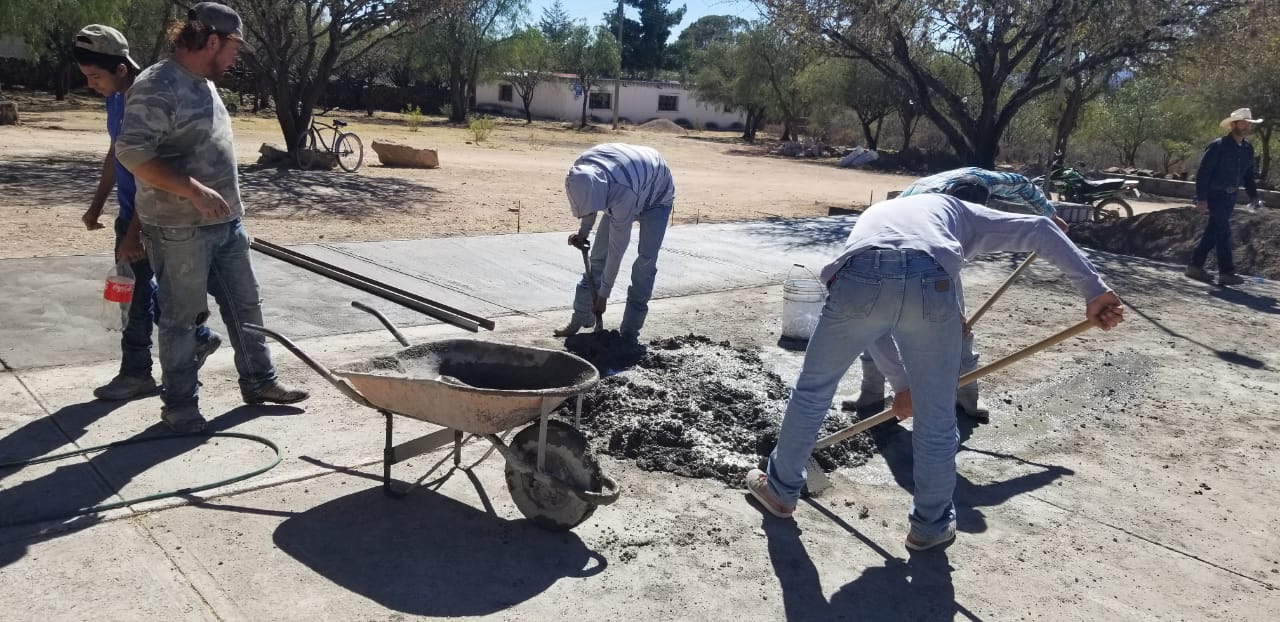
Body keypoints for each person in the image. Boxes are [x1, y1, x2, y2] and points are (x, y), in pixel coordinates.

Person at [745, 182, 1124, 551]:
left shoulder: (885, 210)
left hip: (857, 276)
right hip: (931, 282)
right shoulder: (960, 211)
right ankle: (930, 526)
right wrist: (1095, 291)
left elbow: (875, 322)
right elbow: (1041, 228)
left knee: (813, 389)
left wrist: (901, 383)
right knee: (936, 416)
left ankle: (779, 491)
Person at [114, 3, 307, 433]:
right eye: (234, 46)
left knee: (246, 305)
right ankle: (180, 407)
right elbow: (132, 154)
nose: (236, 57)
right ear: (213, 41)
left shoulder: (205, 81)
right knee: (183, 319)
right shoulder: (157, 83)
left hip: (227, 224)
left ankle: (260, 382)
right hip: (180, 227)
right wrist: (194, 191)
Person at [74, 24, 222, 401]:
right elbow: (117, 154)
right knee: (138, 291)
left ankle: (139, 372)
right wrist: (96, 205)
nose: (92, 85)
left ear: (121, 69)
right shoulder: (115, 99)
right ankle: (197, 342)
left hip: (155, 217)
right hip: (131, 215)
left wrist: (133, 232)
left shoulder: (151, 96)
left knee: (139, 298)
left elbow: (153, 172)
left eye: (96, 77)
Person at [855, 168, 1066, 422]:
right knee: (879, 324)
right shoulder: (919, 211)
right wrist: (951, 312)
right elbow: (935, 273)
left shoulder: (990, 182)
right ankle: (871, 395)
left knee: (959, 333)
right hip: (895, 250)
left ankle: (967, 398)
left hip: (936, 250)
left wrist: (1050, 216)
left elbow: (1024, 185)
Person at [554, 143, 676, 344]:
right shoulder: (580, 170)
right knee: (596, 259)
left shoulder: (621, 192)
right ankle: (580, 318)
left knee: (644, 265)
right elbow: (588, 203)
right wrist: (583, 233)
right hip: (630, 181)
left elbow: (617, 250)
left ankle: (629, 334)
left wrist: (604, 295)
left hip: (656, 199)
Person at [1186, 108, 1264, 287]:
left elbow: (1248, 176)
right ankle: (1226, 272)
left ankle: (1195, 265)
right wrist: (1201, 199)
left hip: (1230, 197)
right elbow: (1203, 173)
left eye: (1248, 123)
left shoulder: (1247, 149)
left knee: (1213, 232)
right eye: (1243, 122)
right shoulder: (1218, 146)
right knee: (1223, 232)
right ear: (1233, 124)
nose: (1246, 126)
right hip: (1214, 196)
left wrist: (1254, 197)